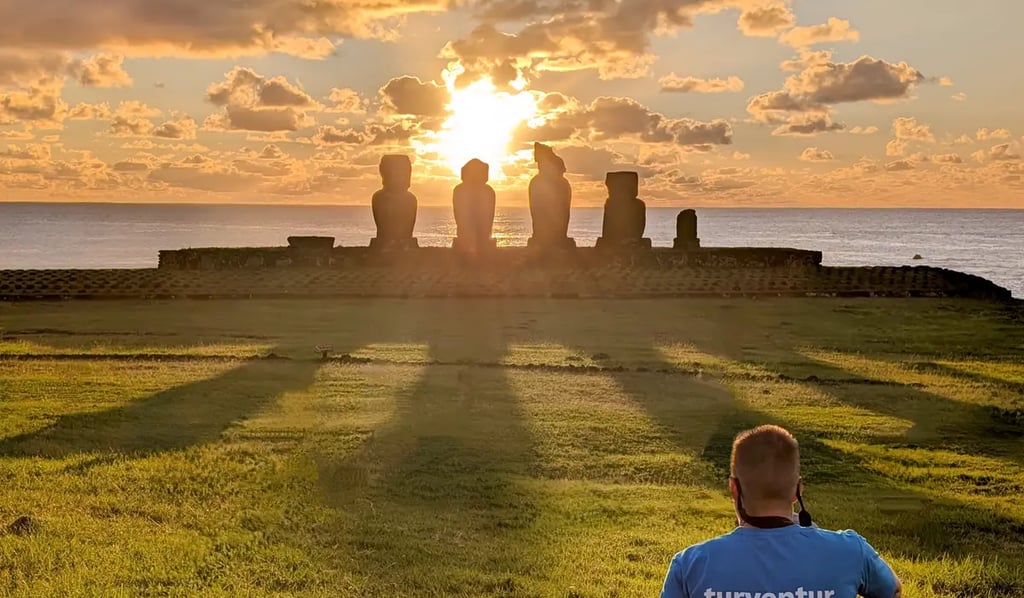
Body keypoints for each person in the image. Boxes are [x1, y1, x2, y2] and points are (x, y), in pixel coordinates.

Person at [660, 425, 902, 598]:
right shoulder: (851, 550)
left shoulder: (690, 565)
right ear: (797, 490)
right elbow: (893, 590)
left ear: (734, 488)